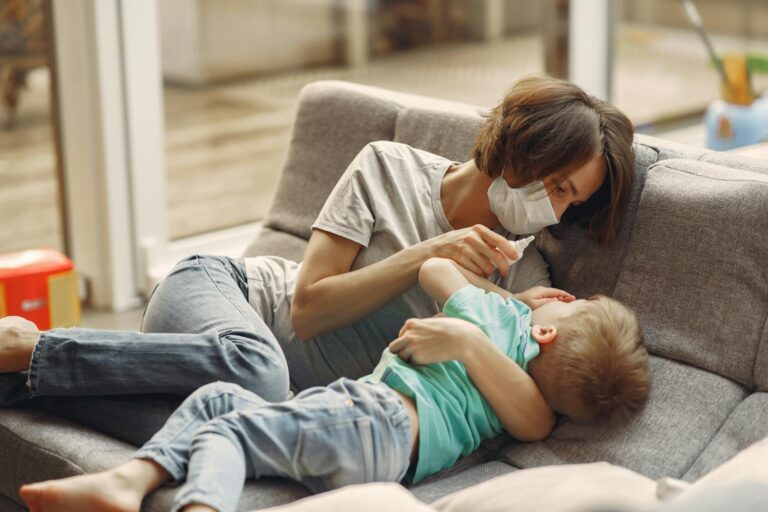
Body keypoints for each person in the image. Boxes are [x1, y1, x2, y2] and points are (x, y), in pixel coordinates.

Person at [0, 75, 636, 444]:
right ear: (524, 145)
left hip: (271, 391)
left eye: (570, 202)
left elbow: (526, 405)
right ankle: (38, 349)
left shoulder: (525, 276)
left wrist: (504, 305)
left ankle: (22, 386)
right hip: (226, 297)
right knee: (259, 372)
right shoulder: (388, 168)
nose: (554, 210)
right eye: (556, 185)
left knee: (240, 426)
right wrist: (428, 253)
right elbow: (306, 311)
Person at [17, 255, 650, 512]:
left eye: (575, 304)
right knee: (218, 400)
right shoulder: (532, 403)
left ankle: (194, 503)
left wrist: (498, 304)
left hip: (371, 420)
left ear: (547, 333)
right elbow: (537, 422)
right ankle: (130, 477)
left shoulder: (497, 320)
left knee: (232, 430)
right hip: (375, 447)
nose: (564, 298)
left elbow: (435, 267)